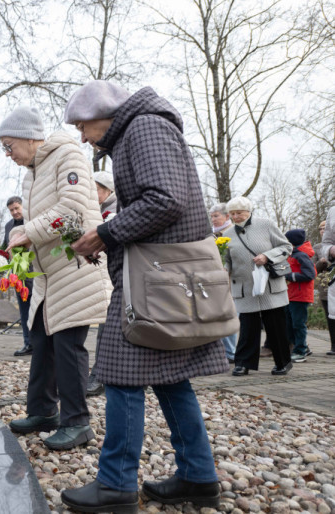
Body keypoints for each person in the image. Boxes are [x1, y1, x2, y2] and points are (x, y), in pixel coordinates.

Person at [61, 80, 228, 512]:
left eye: (82, 125)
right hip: (159, 274)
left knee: (119, 372)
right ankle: (199, 474)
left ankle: (116, 485)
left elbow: (166, 200)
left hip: (157, 277)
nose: (82, 136)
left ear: (103, 113)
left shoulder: (144, 128)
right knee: (171, 379)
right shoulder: (141, 129)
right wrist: (110, 236)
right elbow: (163, 200)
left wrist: (105, 232)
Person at [0, 105, 113, 451]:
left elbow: (74, 211)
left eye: (9, 146)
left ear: (29, 138)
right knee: (42, 342)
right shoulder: (31, 172)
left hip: (76, 267)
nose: (8, 155)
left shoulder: (69, 156)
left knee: (68, 346)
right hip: (49, 273)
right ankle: (43, 412)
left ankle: (77, 422)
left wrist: (27, 232)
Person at [222, 196, 293, 377]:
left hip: (270, 285)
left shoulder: (266, 224)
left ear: (248, 211)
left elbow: (286, 246)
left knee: (275, 326)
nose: (236, 217)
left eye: (239, 213)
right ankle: (243, 363)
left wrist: (267, 256)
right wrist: (224, 269)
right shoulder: (227, 234)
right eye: (232, 214)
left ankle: (282, 362)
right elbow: (227, 259)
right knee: (247, 327)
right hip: (244, 287)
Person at [86, 170, 118, 397]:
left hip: (116, 274)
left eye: (95, 189)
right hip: (101, 274)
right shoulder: (93, 209)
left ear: (107, 191)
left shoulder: (115, 210)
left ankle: (102, 374)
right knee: (105, 325)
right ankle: (101, 372)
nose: (91, 193)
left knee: (112, 326)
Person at [2, 195, 34, 356]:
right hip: (18, 275)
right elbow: (5, 247)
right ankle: (28, 343)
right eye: (11, 210)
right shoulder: (8, 226)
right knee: (24, 310)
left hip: (35, 271)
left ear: (23, 206)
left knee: (38, 309)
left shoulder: (32, 221)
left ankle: (41, 344)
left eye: (16, 208)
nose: (14, 212)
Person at [285, 229, 316, 363]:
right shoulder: (293, 254)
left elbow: (310, 274)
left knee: (298, 324)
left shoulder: (301, 255)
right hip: (291, 295)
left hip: (300, 296)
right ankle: (300, 347)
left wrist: (289, 276)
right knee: (289, 324)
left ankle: (300, 351)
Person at [210, 202, 237, 363]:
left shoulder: (233, 233)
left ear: (227, 216)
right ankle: (219, 352)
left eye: (216, 216)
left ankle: (230, 352)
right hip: (213, 281)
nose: (213, 219)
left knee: (228, 315)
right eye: (211, 216)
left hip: (230, 281)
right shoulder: (211, 235)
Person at [314, 220, 335, 355]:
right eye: (321, 228)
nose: (322, 230)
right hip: (325, 286)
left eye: (325, 228)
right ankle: (334, 345)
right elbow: (313, 269)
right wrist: (320, 263)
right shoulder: (317, 248)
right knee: (330, 317)